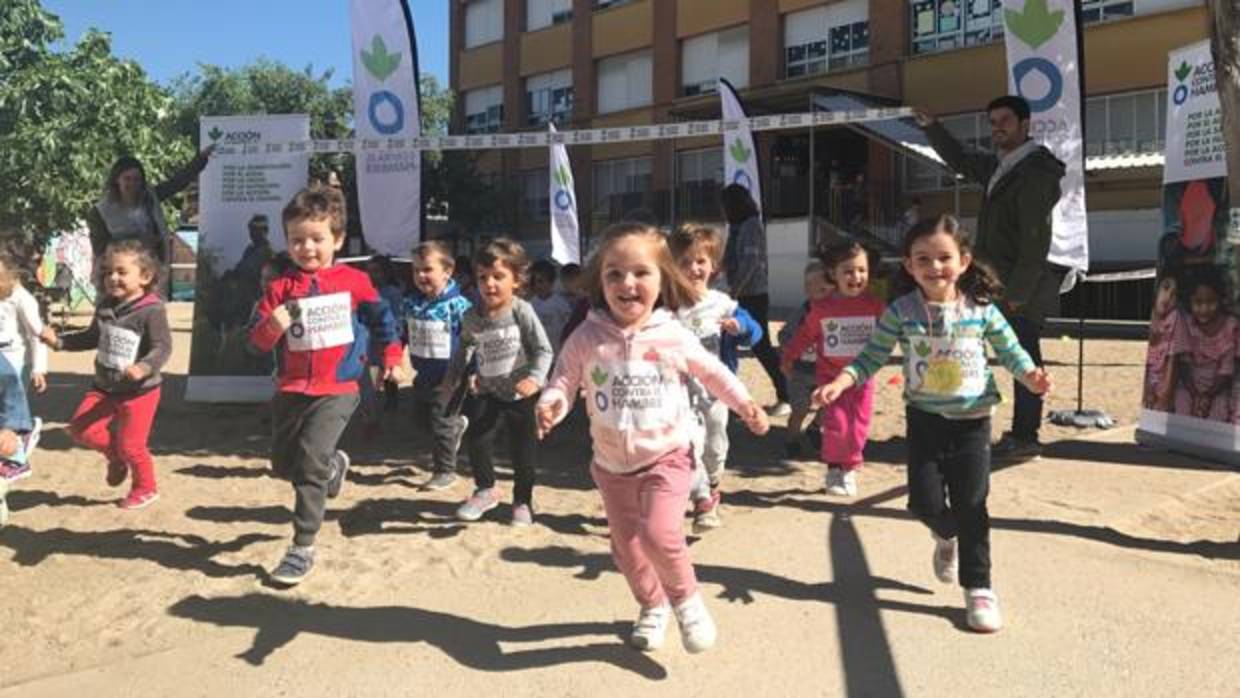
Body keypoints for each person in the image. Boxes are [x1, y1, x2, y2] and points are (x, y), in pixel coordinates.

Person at [535, 222, 769, 653]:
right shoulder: (586, 337)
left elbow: (712, 371)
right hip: (611, 465)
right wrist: (552, 402)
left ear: (662, 279)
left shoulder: (672, 334)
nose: (627, 283)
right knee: (626, 549)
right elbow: (565, 379)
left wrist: (744, 404)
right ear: (598, 280)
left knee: (660, 534)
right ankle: (652, 605)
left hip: (668, 456)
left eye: (641, 272)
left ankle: (687, 601)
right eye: (614, 273)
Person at [814, 215, 1051, 633]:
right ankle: (946, 536)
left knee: (973, 504)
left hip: (974, 421)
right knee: (922, 503)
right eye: (923, 258)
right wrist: (841, 381)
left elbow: (1009, 349)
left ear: (963, 261)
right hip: (924, 419)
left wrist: (1030, 374)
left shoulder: (981, 310)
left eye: (944, 257)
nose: (934, 266)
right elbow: (871, 356)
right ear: (908, 265)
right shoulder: (901, 312)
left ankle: (978, 587)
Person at [247, 185, 402, 586]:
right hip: (291, 389)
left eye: (317, 239)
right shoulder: (279, 289)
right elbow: (255, 342)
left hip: (338, 388)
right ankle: (333, 467)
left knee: (309, 464)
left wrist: (391, 357)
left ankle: (302, 546)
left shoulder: (354, 281)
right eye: (297, 240)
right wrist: (272, 326)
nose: (307, 248)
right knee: (284, 464)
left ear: (337, 239)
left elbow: (384, 320)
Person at [915, 96, 1065, 463]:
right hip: (994, 283)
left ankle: (1026, 435)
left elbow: (1035, 239)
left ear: (1025, 124)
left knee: (1024, 358)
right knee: (976, 349)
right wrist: (932, 127)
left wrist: (1017, 294)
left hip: (1017, 288)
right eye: (992, 121)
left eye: (1005, 121)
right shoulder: (1004, 166)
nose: (997, 127)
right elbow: (962, 159)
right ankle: (970, 425)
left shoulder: (1033, 172)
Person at [40, 240, 173, 510]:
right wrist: (60, 342)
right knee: (80, 429)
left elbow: (163, 347)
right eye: (108, 272)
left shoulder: (152, 310)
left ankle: (146, 488)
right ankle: (115, 456)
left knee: (132, 445)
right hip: (103, 387)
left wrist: (143, 368)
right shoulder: (104, 306)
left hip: (140, 392)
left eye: (122, 272)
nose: (113, 278)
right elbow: (91, 337)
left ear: (145, 277)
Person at [443, 239, 553, 526]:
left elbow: (543, 349)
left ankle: (522, 502)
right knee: (477, 440)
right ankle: (485, 489)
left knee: (523, 453)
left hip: (520, 395)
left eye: (498, 276)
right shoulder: (471, 317)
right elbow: (465, 347)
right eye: (482, 277)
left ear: (516, 280)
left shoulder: (521, 311)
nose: (489, 284)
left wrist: (534, 379)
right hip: (487, 391)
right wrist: (453, 378)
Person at [668, 224, 762, 532]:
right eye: (684, 262)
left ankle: (712, 483)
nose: (693, 269)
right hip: (676, 392)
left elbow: (756, 330)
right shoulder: (667, 305)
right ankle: (702, 500)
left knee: (714, 439)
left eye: (700, 262)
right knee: (686, 442)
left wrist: (741, 327)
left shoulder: (721, 302)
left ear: (714, 266)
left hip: (715, 389)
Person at [780, 242, 885, 497]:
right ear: (833, 274)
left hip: (863, 378)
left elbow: (891, 331)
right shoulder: (823, 308)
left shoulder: (875, 305)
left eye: (862, 270)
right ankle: (836, 469)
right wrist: (789, 357)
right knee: (837, 423)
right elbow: (805, 335)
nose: (856, 277)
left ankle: (850, 465)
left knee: (859, 425)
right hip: (829, 378)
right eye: (848, 271)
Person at [405, 241, 473, 491]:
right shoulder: (411, 303)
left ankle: (445, 471)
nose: (420, 276)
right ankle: (456, 427)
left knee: (440, 421)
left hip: (452, 376)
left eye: (427, 270)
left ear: (447, 271)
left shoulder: (460, 306)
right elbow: (405, 332)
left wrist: (474, 372)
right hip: (424, 374)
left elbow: (473, 340)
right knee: (420, 420)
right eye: (415, 270)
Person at [719, 183, 790, 415]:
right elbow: (730, 259)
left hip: (752, 294)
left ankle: (785, 395)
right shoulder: (737, 226)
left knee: (761, 346)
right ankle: (729, 397)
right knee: (728, 343)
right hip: (740, 293)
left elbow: (750, 262)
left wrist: (735, 290)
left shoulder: (750, 226)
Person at [87, 150, 213, 263]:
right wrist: (137, 244)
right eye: (127, 179)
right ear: (117, 180)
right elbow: (100, 249)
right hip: (122, 275)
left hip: (155, 268)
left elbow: (177, 183)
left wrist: (201, 159)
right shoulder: (100, 212)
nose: (132, 184)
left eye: (137, 179)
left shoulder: (149, 197)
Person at [778, 260, 833, 459]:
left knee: (831, 405)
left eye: (827, 289)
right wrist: (793, 349)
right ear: (807, 290)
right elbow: (783, 336)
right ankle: (792, 439)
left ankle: (815, 427)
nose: (823, 294)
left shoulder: (836, 312)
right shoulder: (803, 313)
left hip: (825, 371)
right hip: (799, 371)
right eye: (817, 289)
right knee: (800, 409)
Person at [0, 254, 47, 481]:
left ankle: (19, 454)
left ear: (12, 275)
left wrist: (39, 367)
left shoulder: (23, 299)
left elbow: (37, 335)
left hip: (16, 362)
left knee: (8, 415)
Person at [1170, 268, 1234, 421]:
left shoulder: (1231, 326)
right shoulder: (1185, 323)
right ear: (1189, 301)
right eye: (1198, 302)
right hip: (1188, 385)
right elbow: (1184, 365)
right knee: (1181, 403)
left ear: (1221, 300)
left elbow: (1226, 371)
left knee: (1221, 409)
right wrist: (1195, 393)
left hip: (1219, 387)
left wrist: (1208, 395)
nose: (1204, 308)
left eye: (1211, 302)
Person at [1144, 275, 1179, 411]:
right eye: (1165, 288)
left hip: (1164, 387)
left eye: (1174, 294)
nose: (1168, 297)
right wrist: (1147, 389)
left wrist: (1165, 394)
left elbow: (1172, 361)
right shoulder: (1152, 317)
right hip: (1150, 385)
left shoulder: (1174, 318)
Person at [528, 259, 574, 355]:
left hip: (558, 352)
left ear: (551, 282)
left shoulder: (560, 303)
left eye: (541, 281)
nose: (537, 285)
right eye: (534, 282)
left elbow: (569, 326)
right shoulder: (530, 304)